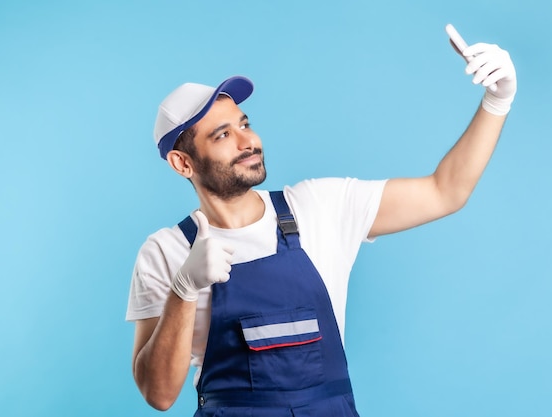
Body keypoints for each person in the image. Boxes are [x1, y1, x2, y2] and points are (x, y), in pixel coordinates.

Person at [126, 24, 517, 416]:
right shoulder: (166, 251)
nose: (248, 141)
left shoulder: (319, 207)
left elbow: (445, 191)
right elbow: (158, 394)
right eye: (222, 135)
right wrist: (183, 289)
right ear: (182, 163)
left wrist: (497, 100)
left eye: (245, 124)